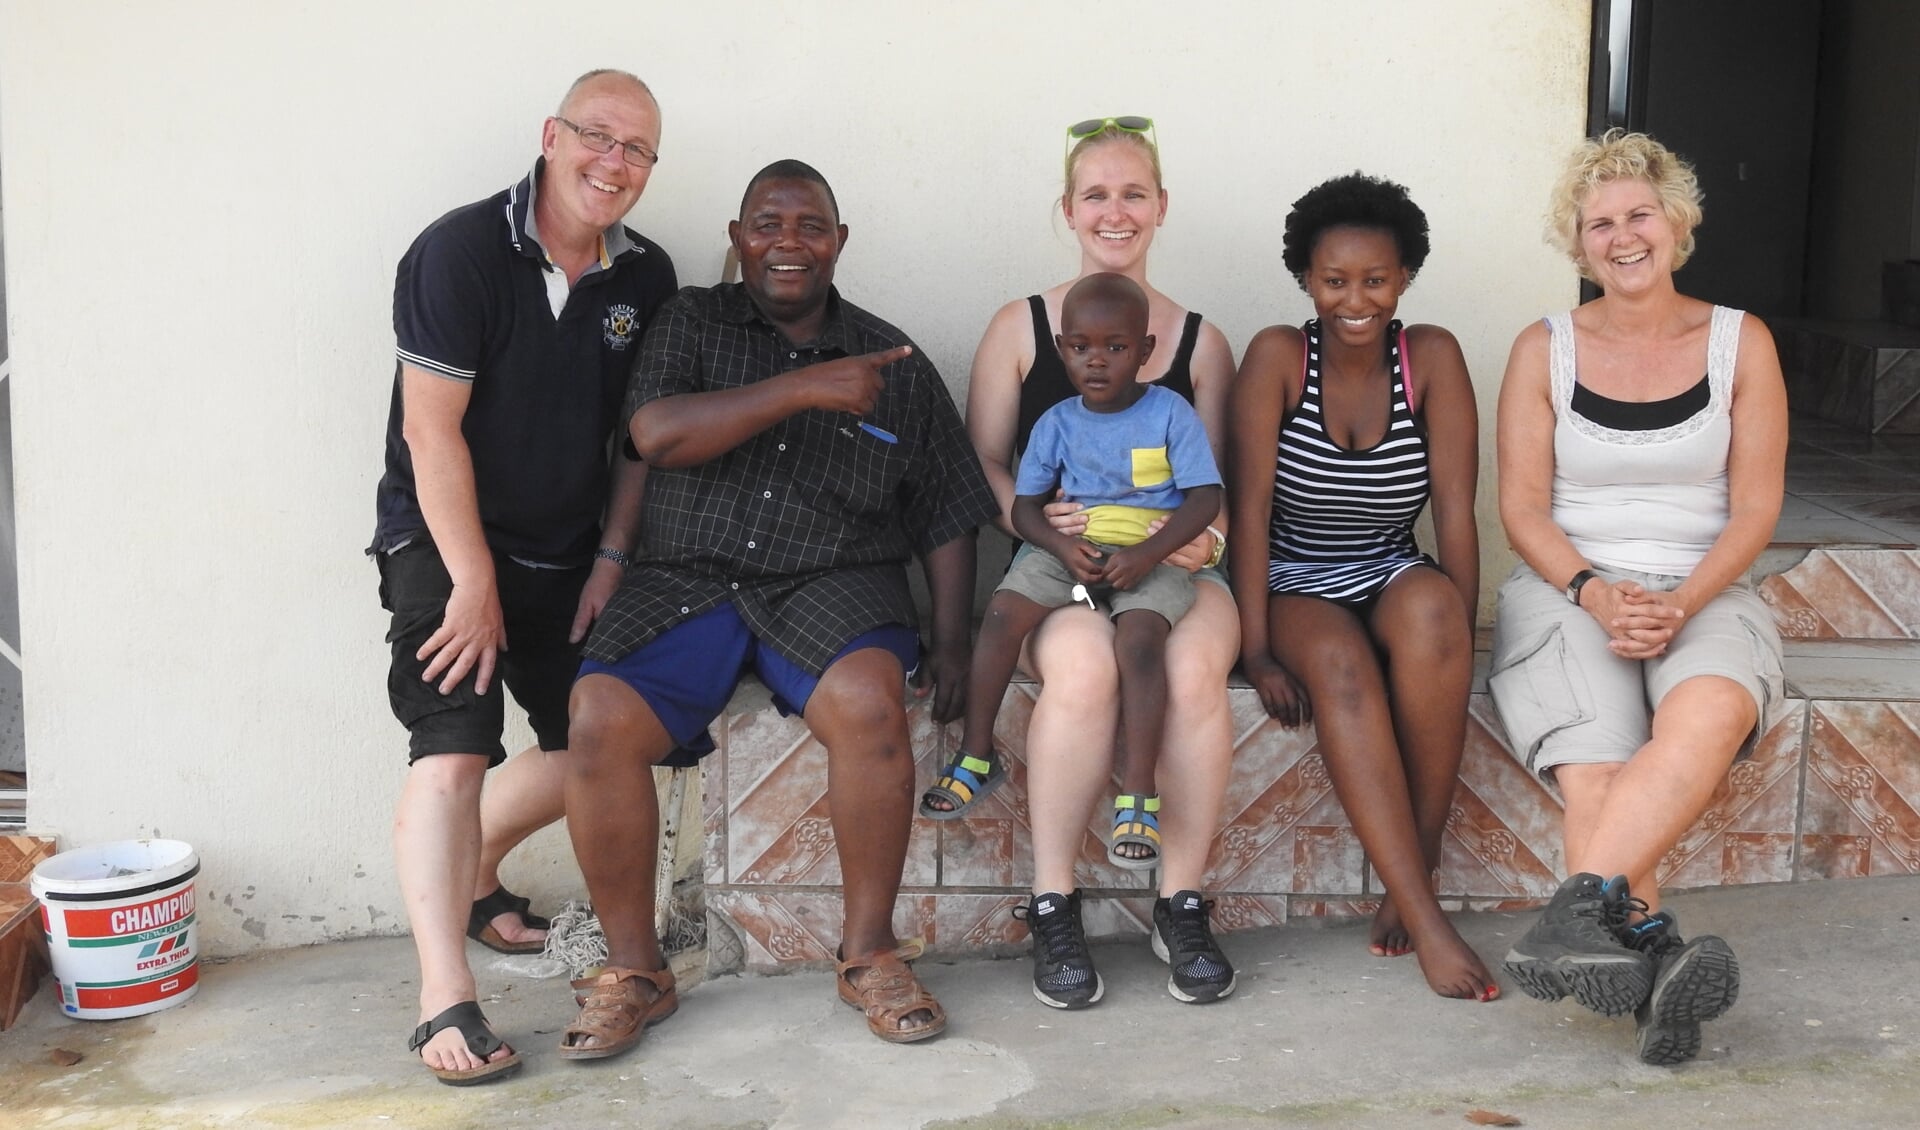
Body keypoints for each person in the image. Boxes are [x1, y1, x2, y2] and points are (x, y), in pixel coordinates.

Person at [557, 160, 997, 1057]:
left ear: (840, 242)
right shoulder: (690, 321)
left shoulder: (891, 357)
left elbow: (949, 508)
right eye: (767, 223)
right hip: (690, 576)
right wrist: (804, 387)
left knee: (871, 705)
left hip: (831, 580)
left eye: (810, 226)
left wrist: (954, 641)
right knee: (599, 716)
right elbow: (655, 434)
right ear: (737, 236)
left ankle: (869, 954)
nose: (787, 242)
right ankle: (636, 971)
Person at [370, 70, 677, 1084]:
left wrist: (611, 559)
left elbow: (637, 442)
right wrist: (470, 580)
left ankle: (471, 873)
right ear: (552, 135)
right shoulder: (460, 251)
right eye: (599, 137)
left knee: (607, 736)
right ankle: (442, 995)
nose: (614, 163)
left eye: (637, 151)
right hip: (441, 537)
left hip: (565, 549)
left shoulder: (646, 277)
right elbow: (431, 430)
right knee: (454, 747)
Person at [929, 117, 1240, 1008]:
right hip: (1059, 561)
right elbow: (980, 458)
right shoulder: (1023, 327)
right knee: (1079, 663)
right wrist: (1043, 526)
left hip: (1177, 564)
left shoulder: (1199, 343)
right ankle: (1053, 899)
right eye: (1097, 194)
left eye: (1133, 192)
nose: (1116, 211)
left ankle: (1180, 901)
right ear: (1068, 209)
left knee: (1187, 666)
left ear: (1162, 206)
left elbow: (1209, 485)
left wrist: (1181, 544)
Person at [1492, 129, 1786, 1066]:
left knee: (1705, 718)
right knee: (1597, 769)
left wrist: (1679, 601)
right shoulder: (1543, 348)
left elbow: (1757, 508)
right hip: (1569, 588)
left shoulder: (1744, 342)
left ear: (1678, 222)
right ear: (1579, 246)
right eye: (1600, 224)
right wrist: (1593, 591)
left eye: (1640, 215)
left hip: (1707, 585)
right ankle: (1656, 965)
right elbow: (1523, 509)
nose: (1623, 237)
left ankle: (1569, 916)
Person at [1228, 172, 1495, 1003]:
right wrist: (1258, 647)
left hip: (1385, 562)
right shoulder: (1277, 355)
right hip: (1292, 573)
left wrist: (1456, 631)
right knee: (1341, 667)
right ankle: (1428, 917)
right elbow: (1249, 512)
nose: (1355, 298)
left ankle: (1411, 874)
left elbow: (1455, 511)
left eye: (1374, 280)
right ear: (1307, 280)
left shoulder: (1434, 358)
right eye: (1334, 280)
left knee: (1431, 611)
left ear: (1404, 277)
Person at [944, 272, 1223, 879]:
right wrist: (1056, 547)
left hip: (1151, 555)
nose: (1096, 361)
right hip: (1068, 551)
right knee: (1001, 614)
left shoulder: (1169, 413)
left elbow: (1204, 499)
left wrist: (1152, 555)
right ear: (1062, 347)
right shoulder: (1056, 421)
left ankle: (1139, 799)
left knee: (1141, 642)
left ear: (1145, 352)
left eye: (1116, 348)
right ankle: (975, 753)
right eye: (1079, 347)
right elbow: (1022, 506)